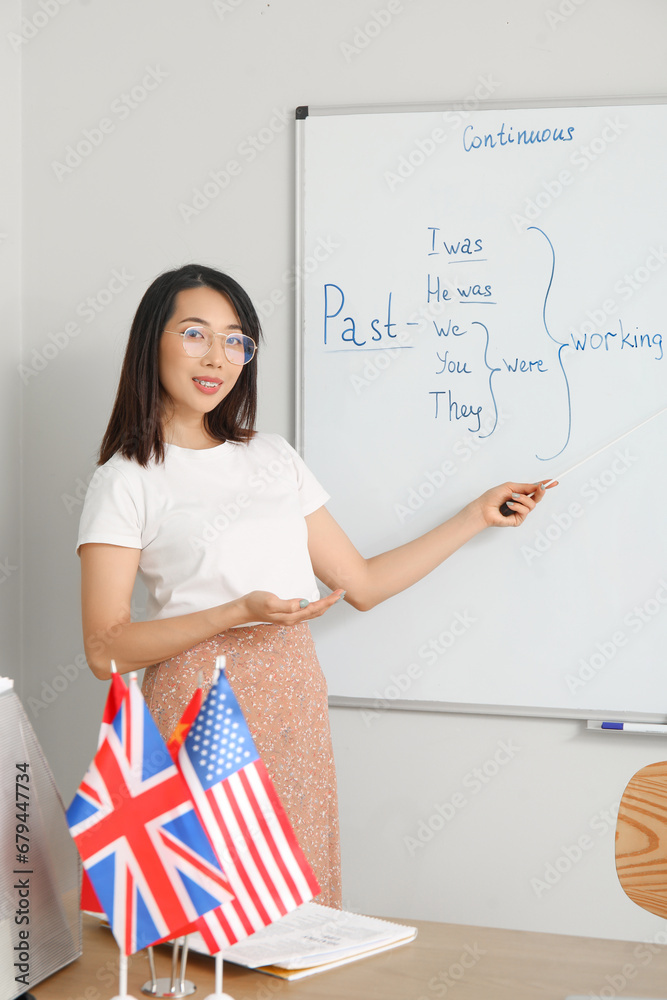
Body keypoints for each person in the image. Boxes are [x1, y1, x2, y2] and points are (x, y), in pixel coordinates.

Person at [77, 263, 555, 908]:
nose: (217, 356)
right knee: (202, 913)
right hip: (196, 703)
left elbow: (363, 584)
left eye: (236, 340)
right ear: (150, 342)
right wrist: (236, 611)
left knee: (298, 910)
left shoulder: (272, 456)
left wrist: (475, 515)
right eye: (194, 334)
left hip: (293, 697)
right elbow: (105, 650)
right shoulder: (126, 477)